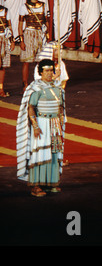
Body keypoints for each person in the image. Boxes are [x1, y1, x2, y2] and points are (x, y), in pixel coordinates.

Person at [16, 59, 66, 197]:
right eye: (47, 71)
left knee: (53, 153)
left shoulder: (57, 87)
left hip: (54, 124)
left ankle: (50, 183)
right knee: (39, 154)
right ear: (40, 72)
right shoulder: (36, 88)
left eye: (51, 70)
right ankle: (35, 186)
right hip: (42, 123)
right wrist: (36, 126)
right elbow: (31, 108)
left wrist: (61, 120)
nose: (50, 73)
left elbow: (61, 106)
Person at [18, 0, 49, 90]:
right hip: (29, 34)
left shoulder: (43, 5)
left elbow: (46, 21)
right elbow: (20, 25)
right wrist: (21, 40)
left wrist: (47, 35)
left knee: (40, 61)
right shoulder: (24, 6)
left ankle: (39, 83)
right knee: (26, 61)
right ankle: (25, 85)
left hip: (40, 33)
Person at [0, 4, 15, 97]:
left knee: (2, 66)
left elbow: (9, 26)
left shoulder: (5, 10)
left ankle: (1, 88)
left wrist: (12, 40)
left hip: (4, 38)